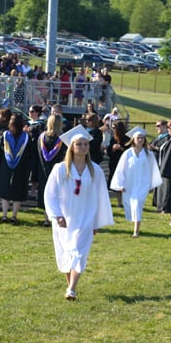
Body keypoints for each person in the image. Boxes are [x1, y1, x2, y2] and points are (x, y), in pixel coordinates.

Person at [44, 125, 114, 301]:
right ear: (72, 147)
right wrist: (57, 215)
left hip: (86, 217)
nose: (83, 147)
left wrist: (97, 222)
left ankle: (72, 289)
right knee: (66, 253)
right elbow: (50, 194)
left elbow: (101, 198)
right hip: (65, 218)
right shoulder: (60, 169)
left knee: (78, 252)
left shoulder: (95, 170)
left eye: (85, 144)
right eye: (79, 144)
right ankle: (70, 287)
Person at [110, 126, 162, 237]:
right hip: (130, 184)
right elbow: (120, 169)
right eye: (138, 137)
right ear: (133, 139)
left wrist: (151, 183)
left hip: (142, 184)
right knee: (131, 205)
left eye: (142, 138)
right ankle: (135, 224)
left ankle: (136, 231)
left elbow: (154, 169)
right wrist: (120, 184)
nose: (140, 140)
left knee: (137, 204)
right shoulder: (127, 153)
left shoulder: (149, 154)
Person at [0, 113, 31, 225]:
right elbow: (29, 153)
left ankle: (4, 215)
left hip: (6, 166)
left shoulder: (5, 136)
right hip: (21, 167)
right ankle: (14, 216)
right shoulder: (26, 137)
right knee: (17, 191)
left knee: (5, 190)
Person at [37, 114, 67, 226]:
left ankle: (46, 218)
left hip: (43, 169)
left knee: (46, 192)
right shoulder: (63, 139)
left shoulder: (41, 137)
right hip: (58, 170)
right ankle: (56, 218)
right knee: (58, 193)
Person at [107, 120, 129, 207]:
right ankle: (119, 203)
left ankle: (125, 202)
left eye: (113, 128)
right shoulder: (113, 139)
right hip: (114, 163)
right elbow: (109, 151)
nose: (112, 129)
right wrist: (112, 149)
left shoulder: (127, 138)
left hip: (124, 164)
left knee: (124, 183)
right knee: (116, 183)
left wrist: (121, 148)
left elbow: (130, 150)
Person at [149, 120, 170, 212]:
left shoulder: (168, 138)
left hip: (162, 164)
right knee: (156, 186)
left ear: (165, 126)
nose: (157, 127)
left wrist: (154, 148)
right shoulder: (157, 138)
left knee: (162, 186)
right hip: (155, 164)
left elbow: (165, 150)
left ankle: (162, 207)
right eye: (156, 126)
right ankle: (158, 205)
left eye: (158, 125)